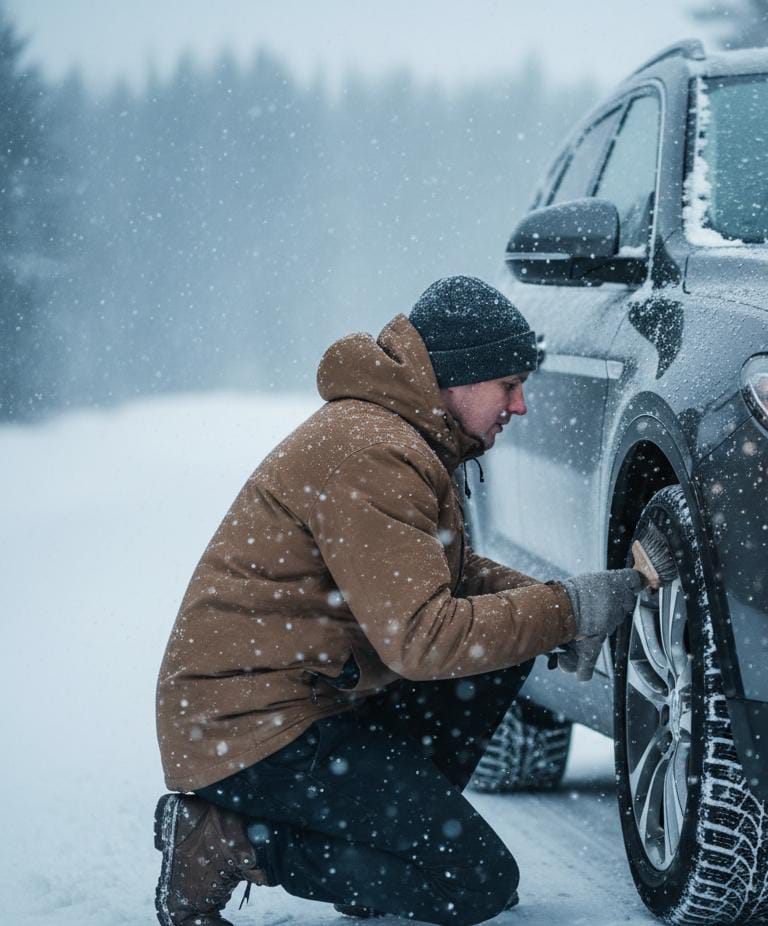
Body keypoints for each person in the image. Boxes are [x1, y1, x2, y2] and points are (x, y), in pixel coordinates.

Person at [153, 275, 642, 926]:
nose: (520, 405)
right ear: (462, 379)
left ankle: (377, 857)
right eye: (509, 385)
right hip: (248, 730)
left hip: (312, 698)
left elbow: (454, 574)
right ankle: (225, 841)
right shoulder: (376, 449)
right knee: (474, 881)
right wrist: (566, 610)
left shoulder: (409, 436)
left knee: (501, 648)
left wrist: (553, 607)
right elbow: (424, 637)